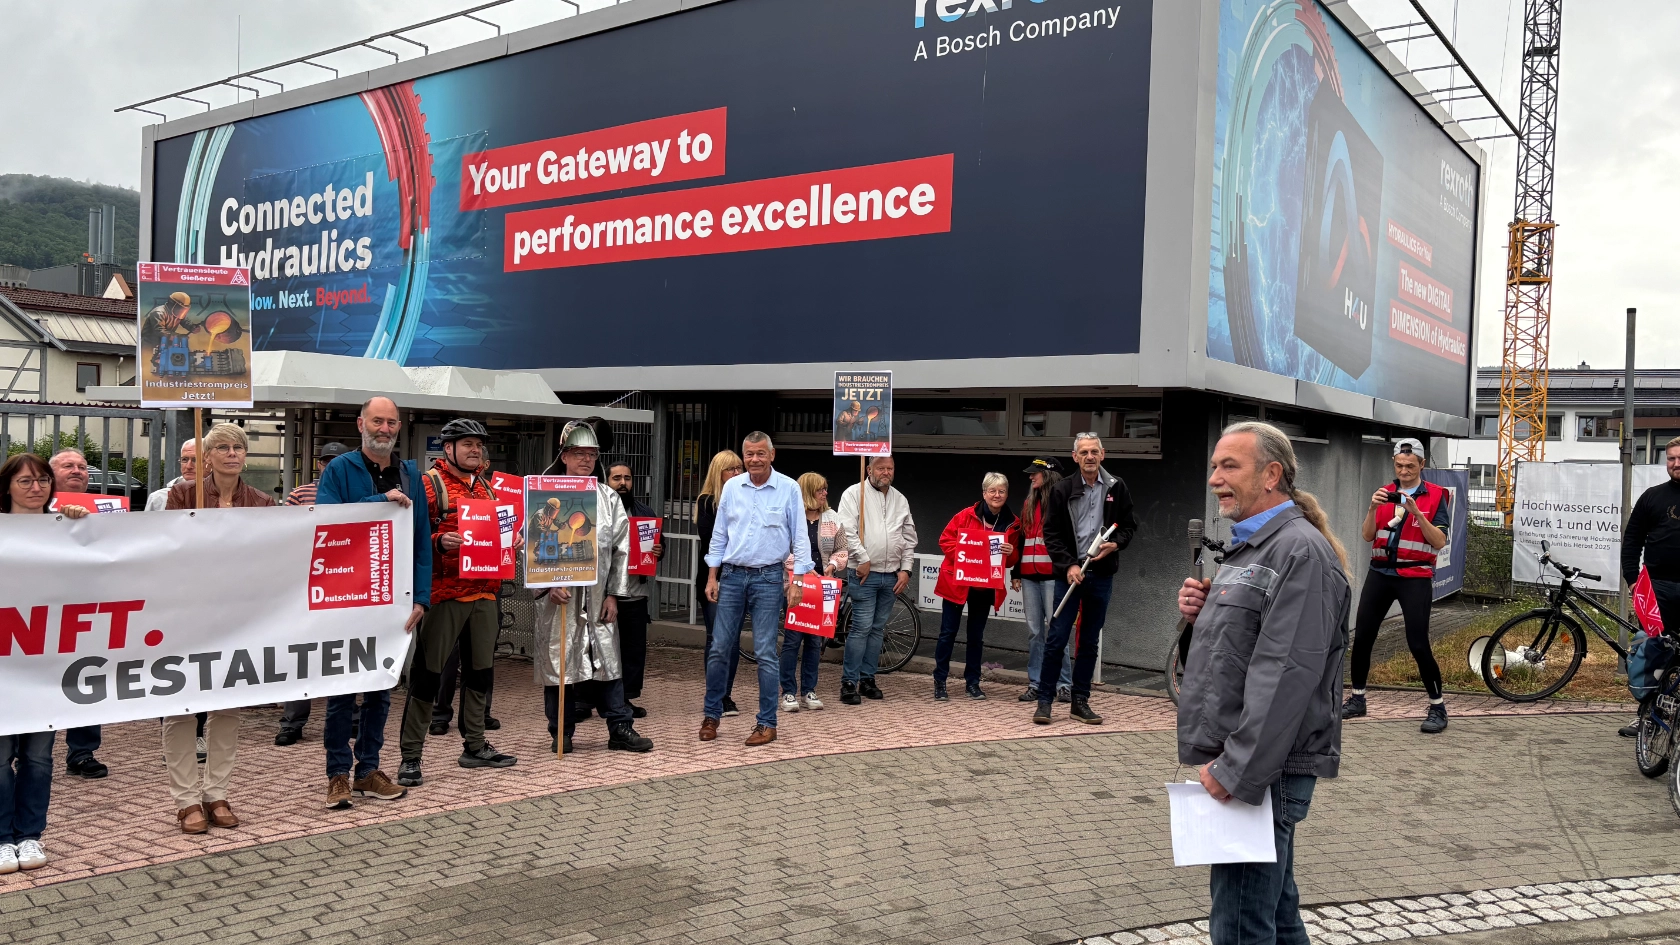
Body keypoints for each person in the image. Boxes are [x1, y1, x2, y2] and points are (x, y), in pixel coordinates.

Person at [1176, 421, 1350, 945]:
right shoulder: (1252, 547)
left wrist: (1237, 770)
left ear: (1271, 474)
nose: (1215, 478)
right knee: (1276, 916)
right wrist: (1200, 617)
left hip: (1263, 771)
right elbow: (1239, 652)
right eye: (1214, 466)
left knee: (1240, 926)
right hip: (1257, 764)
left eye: (1230, 466)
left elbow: (1286, 673)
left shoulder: (1298, 552)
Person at [313, 396, 432, 810]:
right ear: (361, 424)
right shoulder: (340, 469)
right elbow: (324, 519)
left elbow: (421, 540)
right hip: (346, 597)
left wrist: (421, 598)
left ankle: (368, 770)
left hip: (393, 601)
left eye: (392, 423)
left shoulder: (411, 474)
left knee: (381, 689)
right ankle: (337, 774)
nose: (385, 429)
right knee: (342, 690)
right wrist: (378, 503)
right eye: (378, 421)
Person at [161, 423, 274, 833]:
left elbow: (273, 555)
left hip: (236, 617)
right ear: (207, 457)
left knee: (227, 708)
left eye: (238, 447)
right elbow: (168, 548)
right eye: (222, 447)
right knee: (181, 706)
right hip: (186, 614)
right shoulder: (182, 495)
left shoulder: (263, 502)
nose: (231, 453)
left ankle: (216, 793)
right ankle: (186, 800)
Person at [394, 419, 517, 788]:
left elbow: (498, 533)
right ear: (448, 448)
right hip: (446, 594)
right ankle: (411, 756)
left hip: (485, 593)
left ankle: (475, 746)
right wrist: (438, 541)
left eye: (478, 444)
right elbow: (407, 532)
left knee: (481, 673)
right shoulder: (428, 485)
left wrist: (512, 540)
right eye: (467, 444)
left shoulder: (488, 487)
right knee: (428, 674)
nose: (475, 450)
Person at [533, 419, 653, 755]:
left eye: (592, 454)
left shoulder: (608, 497)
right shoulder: (544, 495)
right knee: (559, 663)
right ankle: (561, 731)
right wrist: (547, 585)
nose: (586, 459)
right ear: (564, 456)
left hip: (599, 595)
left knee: (608, 660)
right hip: (559, 597)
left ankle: (620, 727)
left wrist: (614, 593)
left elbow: (622, 548)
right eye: (579, 453)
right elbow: (532, 545)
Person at [1, 454, 86, 873]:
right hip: (4, 663)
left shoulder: (64, 527)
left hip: (46, 662)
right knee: (0, 757)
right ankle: (2, 839)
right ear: (7, 486)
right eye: (25, 481)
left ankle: (30, 835)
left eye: (42, 480)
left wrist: (77, 526)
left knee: (38, 756)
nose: (36, 488)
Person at [701, 432, 811, 746]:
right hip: (732, 576)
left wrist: (797, 581)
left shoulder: (788, 488)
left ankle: (767, 723)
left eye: (761, 453)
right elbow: (719, 535)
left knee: (765, 652)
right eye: (749, 454)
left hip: (769, 578)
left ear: (772, 455)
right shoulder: (732, 487)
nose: (754, 460)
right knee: (719, 648)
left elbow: (800, 538)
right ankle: (711, 715)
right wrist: (712, 576)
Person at [1341, 438, 1452, 733]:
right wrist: (1371, 508)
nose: (1404, 471)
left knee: (1417, 643)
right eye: (1400, 465)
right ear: (1394, 462)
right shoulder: (1384, 493)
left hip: (1414, 576)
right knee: (1362, 637)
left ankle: (1438, 707)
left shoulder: (1436, 495)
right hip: (1380, 573)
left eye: (1410, 466)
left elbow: (1439, 541)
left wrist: (1417, 513)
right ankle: (1357, 698)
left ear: (1422, 465)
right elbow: (1367, 535)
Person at [1036, 434, 1136, 726]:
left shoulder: (1117, 486)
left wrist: (1115, 544)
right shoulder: (1062, 489)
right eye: (1084, 452)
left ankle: (1080, 701)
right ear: (1075, 456)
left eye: (1094, 451)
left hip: (1101, 574)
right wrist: (1068, 565)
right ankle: (1044, 701)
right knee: (1057, 638)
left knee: (1089, 642)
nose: (1089, 457)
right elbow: (1051, 533)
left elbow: (1129, 525)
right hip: (1070, 575)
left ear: (1102, 454)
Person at [273, 441, 352, 746]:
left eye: (337, 460)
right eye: (326, 461)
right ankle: (292, 723)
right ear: (319, 464)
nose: (331, 465)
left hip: (343, 582)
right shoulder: (299, 494)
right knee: (301, 652)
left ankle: (349, 717)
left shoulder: (357, 495)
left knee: (344, 652)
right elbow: (284, 533)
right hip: (306, 582)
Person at [834, 455, 917, 705]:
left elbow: (909, 537)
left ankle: (868, 679)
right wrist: (862, 558)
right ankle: (849, 682)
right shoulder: (853, 494)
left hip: (891, 575)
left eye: (890, 468)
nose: (886, 472)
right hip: (864, 574)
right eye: (881, 468)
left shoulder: (900, 499)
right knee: (861, 627)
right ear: (869, 469)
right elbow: (846, 531)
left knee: (878, 628)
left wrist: (906, 569)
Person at [931, 473, 1019, 702]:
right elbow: (945, 540)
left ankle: (973, 683)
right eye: (992, 491)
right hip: (958, 582)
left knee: (976, 637)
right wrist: (966, 556)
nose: (997, 495)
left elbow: (1011, 560)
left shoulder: (1013, 523)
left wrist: (1011, 553)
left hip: (985, 586)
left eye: (1001, 491)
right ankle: (940, 681)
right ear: (984, 493)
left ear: (1007, 494)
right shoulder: (965, 515)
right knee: (947, 633)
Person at [49, 448, 107, 780]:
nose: (77, 470)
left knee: (86, 677)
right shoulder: (31, 510)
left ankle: (82, 752)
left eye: (83, 467)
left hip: (88, 608)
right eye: (68, 466)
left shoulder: (105, 510)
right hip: (42, 609)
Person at [1619, 435, 1680, 737]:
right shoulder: (1652, 497)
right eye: (1671, 458)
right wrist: (1633, 582)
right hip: (1657, 589)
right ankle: (1648, 716)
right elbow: (1632, 541)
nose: (1676, 464)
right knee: (1653, 651)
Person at [781, 472, 848, 714]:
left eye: (825, 488)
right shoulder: (790, 517)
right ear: (808, 492)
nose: (825, 493)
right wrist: (802, 567)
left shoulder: (832, 518)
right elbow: (781, 548)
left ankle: (809, 690)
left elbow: (842, 548)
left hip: (823, 587)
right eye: (820, 489)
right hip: (796, 585)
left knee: (814, 641)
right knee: (792, 640)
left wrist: (833, 565)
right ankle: (788, 691)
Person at [1014, 458, 1071, 703]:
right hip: (1029, 576)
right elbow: (1021, 539)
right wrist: (1016, 572)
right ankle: (1035, 683)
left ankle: (1064, 684)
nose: (1030, 477)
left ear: (1048, 475)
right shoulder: (1029, 502)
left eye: (1035, 473)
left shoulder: (1063, 501)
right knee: (1035, 633)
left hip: (1054, 577)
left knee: (1057, 631)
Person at [608, 461, 662, 718]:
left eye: (627, 478)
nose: (623, 483)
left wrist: (659, 550)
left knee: (632, 650)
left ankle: (625, 698)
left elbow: (658, 546)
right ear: (606, 482)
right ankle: (583, 700)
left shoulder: (644, 512)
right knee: (597, 648)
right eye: (616, 478)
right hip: (602, 594)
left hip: (635, 593)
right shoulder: (597, 511)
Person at [696, 450, 746, 717]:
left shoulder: (747, 497)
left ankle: (726, 694)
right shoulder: (707, 501)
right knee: (717, 638)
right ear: (719, 473)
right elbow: (712, 541)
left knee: (734, 639)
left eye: (739, 468)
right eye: (731, 469)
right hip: (714, 577)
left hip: (739, 577)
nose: (737, 473)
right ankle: (714, 695)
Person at [145, 440, 196, 511]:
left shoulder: (213, 497)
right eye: (184, 459)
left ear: (209, 461)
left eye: (195, 460)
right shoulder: (158, 498)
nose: (188, 466)